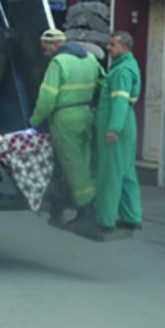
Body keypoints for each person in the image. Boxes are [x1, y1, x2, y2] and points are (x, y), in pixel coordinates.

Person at [29, 29, 103, 230]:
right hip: (87, 115)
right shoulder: (90, 58)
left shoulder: (58, 63)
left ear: (55, 45)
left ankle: (87, 210)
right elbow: (102, 84)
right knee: (83, 162)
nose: (45, 54)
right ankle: (60, 207)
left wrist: (34, 122)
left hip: (65, 119)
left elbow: (47, 99)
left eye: (46, 49)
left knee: (73, 165)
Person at [92, 31, 142, 233]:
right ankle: (132, 217)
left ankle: (105, 220)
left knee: (110, 174)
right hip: (127, 126)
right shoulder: (127, 66)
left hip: (117, 127)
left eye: (113, 45)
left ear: (124, 48)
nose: (109, 48)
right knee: (127, 173)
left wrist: (113, 129)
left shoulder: (121, 72)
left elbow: (120, 102)